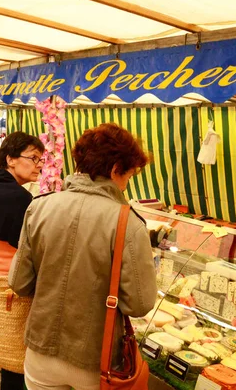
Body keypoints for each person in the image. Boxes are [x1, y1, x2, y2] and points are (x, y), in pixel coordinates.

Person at [9, 123, 157, 390]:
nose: (126, 184)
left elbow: (19, 283)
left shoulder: (39, 207)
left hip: (39, 351)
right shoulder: (128, 223)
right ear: (114, 169)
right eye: (128, 175)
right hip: (95, 360)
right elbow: (139, 304)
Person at [0, 131, 45, 390]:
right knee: (14, 362)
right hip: (14, 289)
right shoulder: (20, 199)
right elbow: (33, 251)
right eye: (33, 158)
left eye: (41, 159)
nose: (39, 165)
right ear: (11, 159)